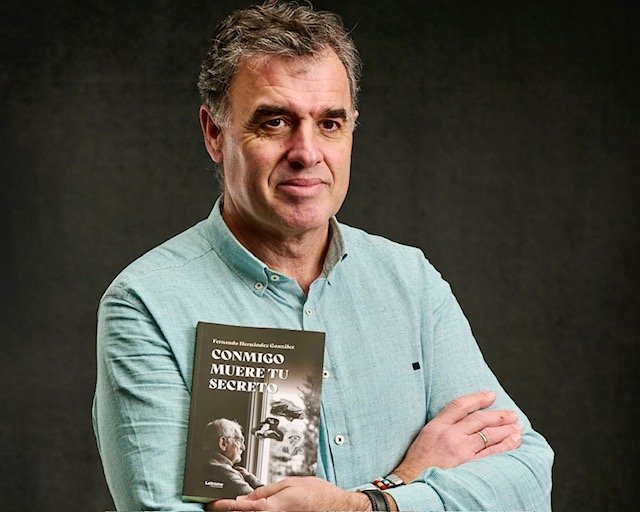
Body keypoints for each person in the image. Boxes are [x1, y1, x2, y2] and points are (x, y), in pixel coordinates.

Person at [92, 1, 554, 511]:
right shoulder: (147, 303)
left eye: (330, 123)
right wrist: (402, 481)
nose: (307, 152)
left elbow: (527, 481)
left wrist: (366, 506)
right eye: (275, 122)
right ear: (214, 133)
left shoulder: (410, 281)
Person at [203, 419, 263, 498]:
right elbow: (260, 499)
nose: (243, 447)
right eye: (239, 440)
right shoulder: (222, 470)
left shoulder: (209, 465)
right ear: (223, 443)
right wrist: (250, 478)